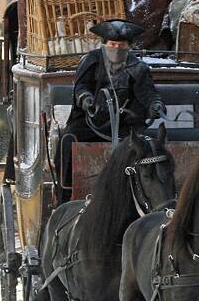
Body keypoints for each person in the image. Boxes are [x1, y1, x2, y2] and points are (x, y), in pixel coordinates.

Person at [53, 19, 164, 203]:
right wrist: (86, 99)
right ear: (104, 44)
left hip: (125, 125)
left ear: (129, 46)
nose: (117, 48)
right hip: (91, 123)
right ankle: (64, 195)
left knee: (146, 146)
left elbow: (148, 93)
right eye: (112, 44)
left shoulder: (138, 67)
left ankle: (145, 194)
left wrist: (155, 106)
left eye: (121, 45)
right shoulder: (91, 61)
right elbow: (81, 87)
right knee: (68, 139)